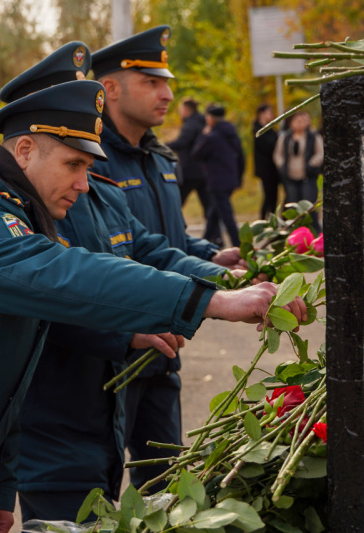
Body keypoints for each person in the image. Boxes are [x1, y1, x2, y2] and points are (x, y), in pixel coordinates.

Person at [0, 79, 305, 533]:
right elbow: (73, 274)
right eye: (73, 164)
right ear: (25, 150)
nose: (83, 184)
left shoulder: (14, 216)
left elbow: (3, 376)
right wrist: (212, 300)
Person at [3, 43, 231, 522]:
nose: (86, 177)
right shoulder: (12, 214)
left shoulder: (98, 194)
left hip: (104, 413)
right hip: (55, 427)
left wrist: (220, 277)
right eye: (75, 162)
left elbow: (149, 249)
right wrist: (126, 330)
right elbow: (53, 295)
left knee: (149, 497)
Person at [90, 26, 247, 493]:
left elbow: (165, 238)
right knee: (96, 491)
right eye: (151, 83)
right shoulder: (89, 160)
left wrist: (214, 257)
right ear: (110, 89)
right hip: (113, 353)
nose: (168, 94)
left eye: (167, 82)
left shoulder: (160, 157)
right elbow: (116, 255)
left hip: (165, 347)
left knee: (165, 487)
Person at [192, 104, 245, 247]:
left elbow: (197, 153)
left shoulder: (212, 136)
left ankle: (238, 244)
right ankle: (204, 242)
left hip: (217, 181)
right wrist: (239, 178)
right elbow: (241, 156)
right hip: (230, 179)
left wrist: (204, 134)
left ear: (210, 119)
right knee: (214, 214)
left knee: (226, 215)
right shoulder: (231, 133)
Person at [273, 110, 324, 232]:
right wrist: (281, 166)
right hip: (290, 177)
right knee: (291, 205)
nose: (300, 124)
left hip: (308, 176)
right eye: (297, 121)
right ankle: (291, 231)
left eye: (303, 121)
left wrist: (311, 164)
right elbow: (278, 155)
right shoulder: (285, 137)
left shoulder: (313, 137)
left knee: (309, 206)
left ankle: (314, 232)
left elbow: (320, 153)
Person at [168, 97, 209, 219]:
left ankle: (169, 225)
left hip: (190, 170)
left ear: (186, 109)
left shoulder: (190, 125)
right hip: (204, 170)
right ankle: (215, 235)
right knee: (208, 204)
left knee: (176, 203)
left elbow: (182, 142)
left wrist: (162, 147)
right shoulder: (203, 122)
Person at [253, 104, 280, 219]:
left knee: (273, 197)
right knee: (269, 197)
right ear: (261, 114)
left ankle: (270, 220)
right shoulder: (258, 129)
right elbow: (268, 145)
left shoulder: (271, 129)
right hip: (266, 169)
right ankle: (264, 220)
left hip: (274, 169)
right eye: (269, 112)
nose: (272, 115)